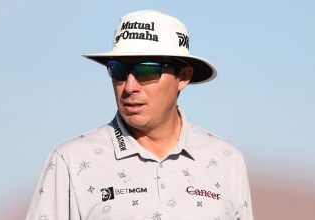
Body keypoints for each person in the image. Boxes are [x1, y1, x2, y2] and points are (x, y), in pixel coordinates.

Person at [26, 10, 254, 220]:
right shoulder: (71, 161)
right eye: (118, 70)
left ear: (183, 76)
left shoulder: (226, 159)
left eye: (146, 70)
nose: (129, 86)